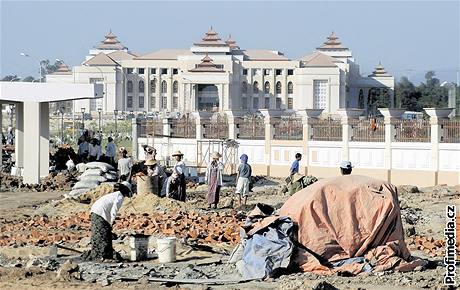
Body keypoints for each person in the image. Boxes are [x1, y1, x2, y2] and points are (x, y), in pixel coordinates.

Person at [83, 181, 132, 261]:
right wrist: (111, 223)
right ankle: (102, 255)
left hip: (95, 211)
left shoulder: (115, 195)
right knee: (103, 234)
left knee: (100, 233)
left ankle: (99, 254)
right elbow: (114, 211)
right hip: (99, 212)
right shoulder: (119, 197)